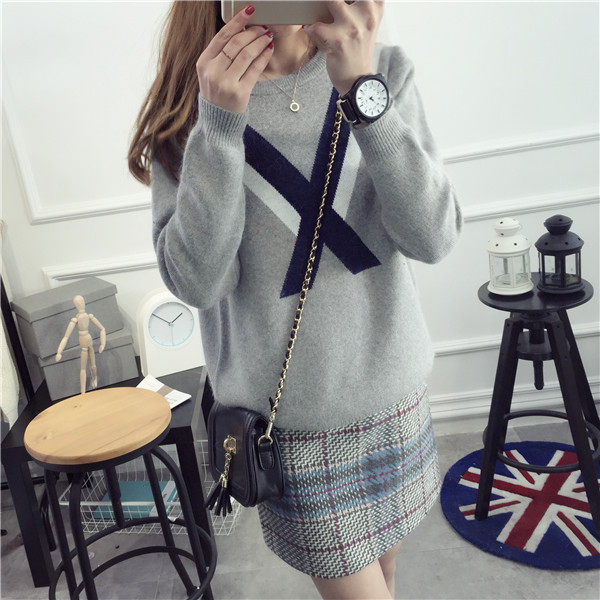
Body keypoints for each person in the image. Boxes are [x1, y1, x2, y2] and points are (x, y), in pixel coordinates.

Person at [128, 1, 463, 598]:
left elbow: (432, 237)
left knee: (385, 573)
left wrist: (362, 91)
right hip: (293, 430)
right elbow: (198, 284)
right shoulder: (191, 111)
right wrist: (219, 127)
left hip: (395, 399)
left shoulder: (382, 69)